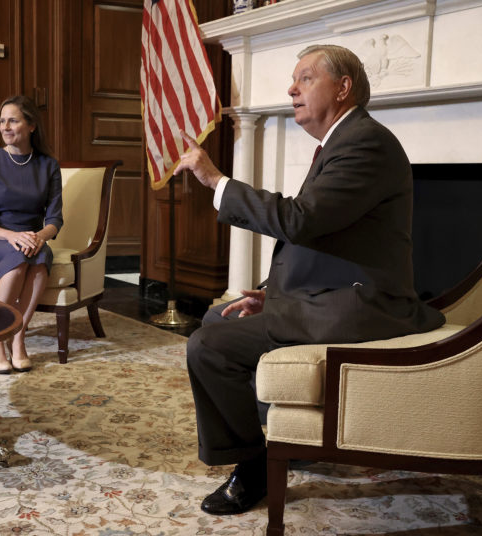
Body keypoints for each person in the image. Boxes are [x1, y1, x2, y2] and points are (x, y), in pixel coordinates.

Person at [173, 44, 445, 515]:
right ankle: (282, 439)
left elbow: (299, 220)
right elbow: (323, 239)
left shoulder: (365, 142)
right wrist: (271, 294)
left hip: (364, 307)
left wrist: (215, 180)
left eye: (305, 78)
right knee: (219, 319)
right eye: (293, 80)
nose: (291, 89)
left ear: (344, 88)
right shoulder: (344, 142)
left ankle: (254, 465)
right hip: (338, 294)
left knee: (208, 345)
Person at [0, 95, 63, 374]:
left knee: (39, 260)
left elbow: (55, 219)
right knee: (18, 259)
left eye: (13, 120)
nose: (5, 126)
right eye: (2, 121)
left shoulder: (48, 165)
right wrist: (12, 236)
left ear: (31, 125)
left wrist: (39, 237)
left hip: (32, 239)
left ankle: (19, 336)